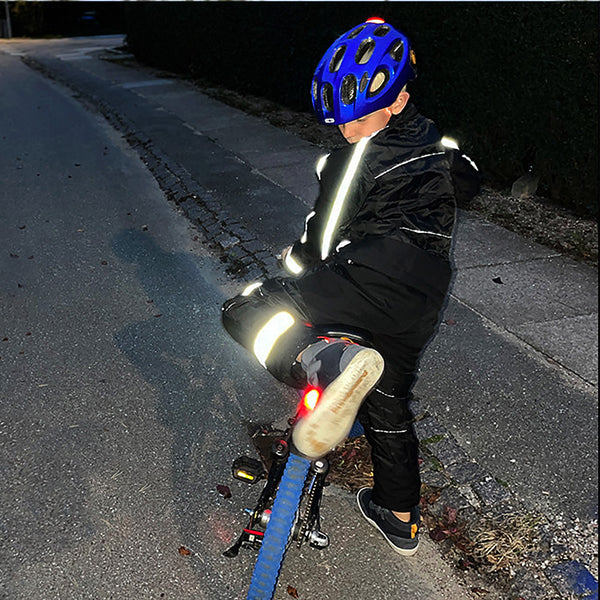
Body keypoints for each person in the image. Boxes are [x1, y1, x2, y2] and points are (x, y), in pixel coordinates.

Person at [221, 17, 480, 556]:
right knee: (390, 401)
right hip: (424, 296)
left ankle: (328, 363)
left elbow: (322, 239)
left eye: (361, 115)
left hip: (368, 273)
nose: (349, 129)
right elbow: (468, 179)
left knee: (246, 309)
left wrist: (294, 266)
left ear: (400, 96)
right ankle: (399, 517)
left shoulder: (352, 158)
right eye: (343, 118)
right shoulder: (436, 139)